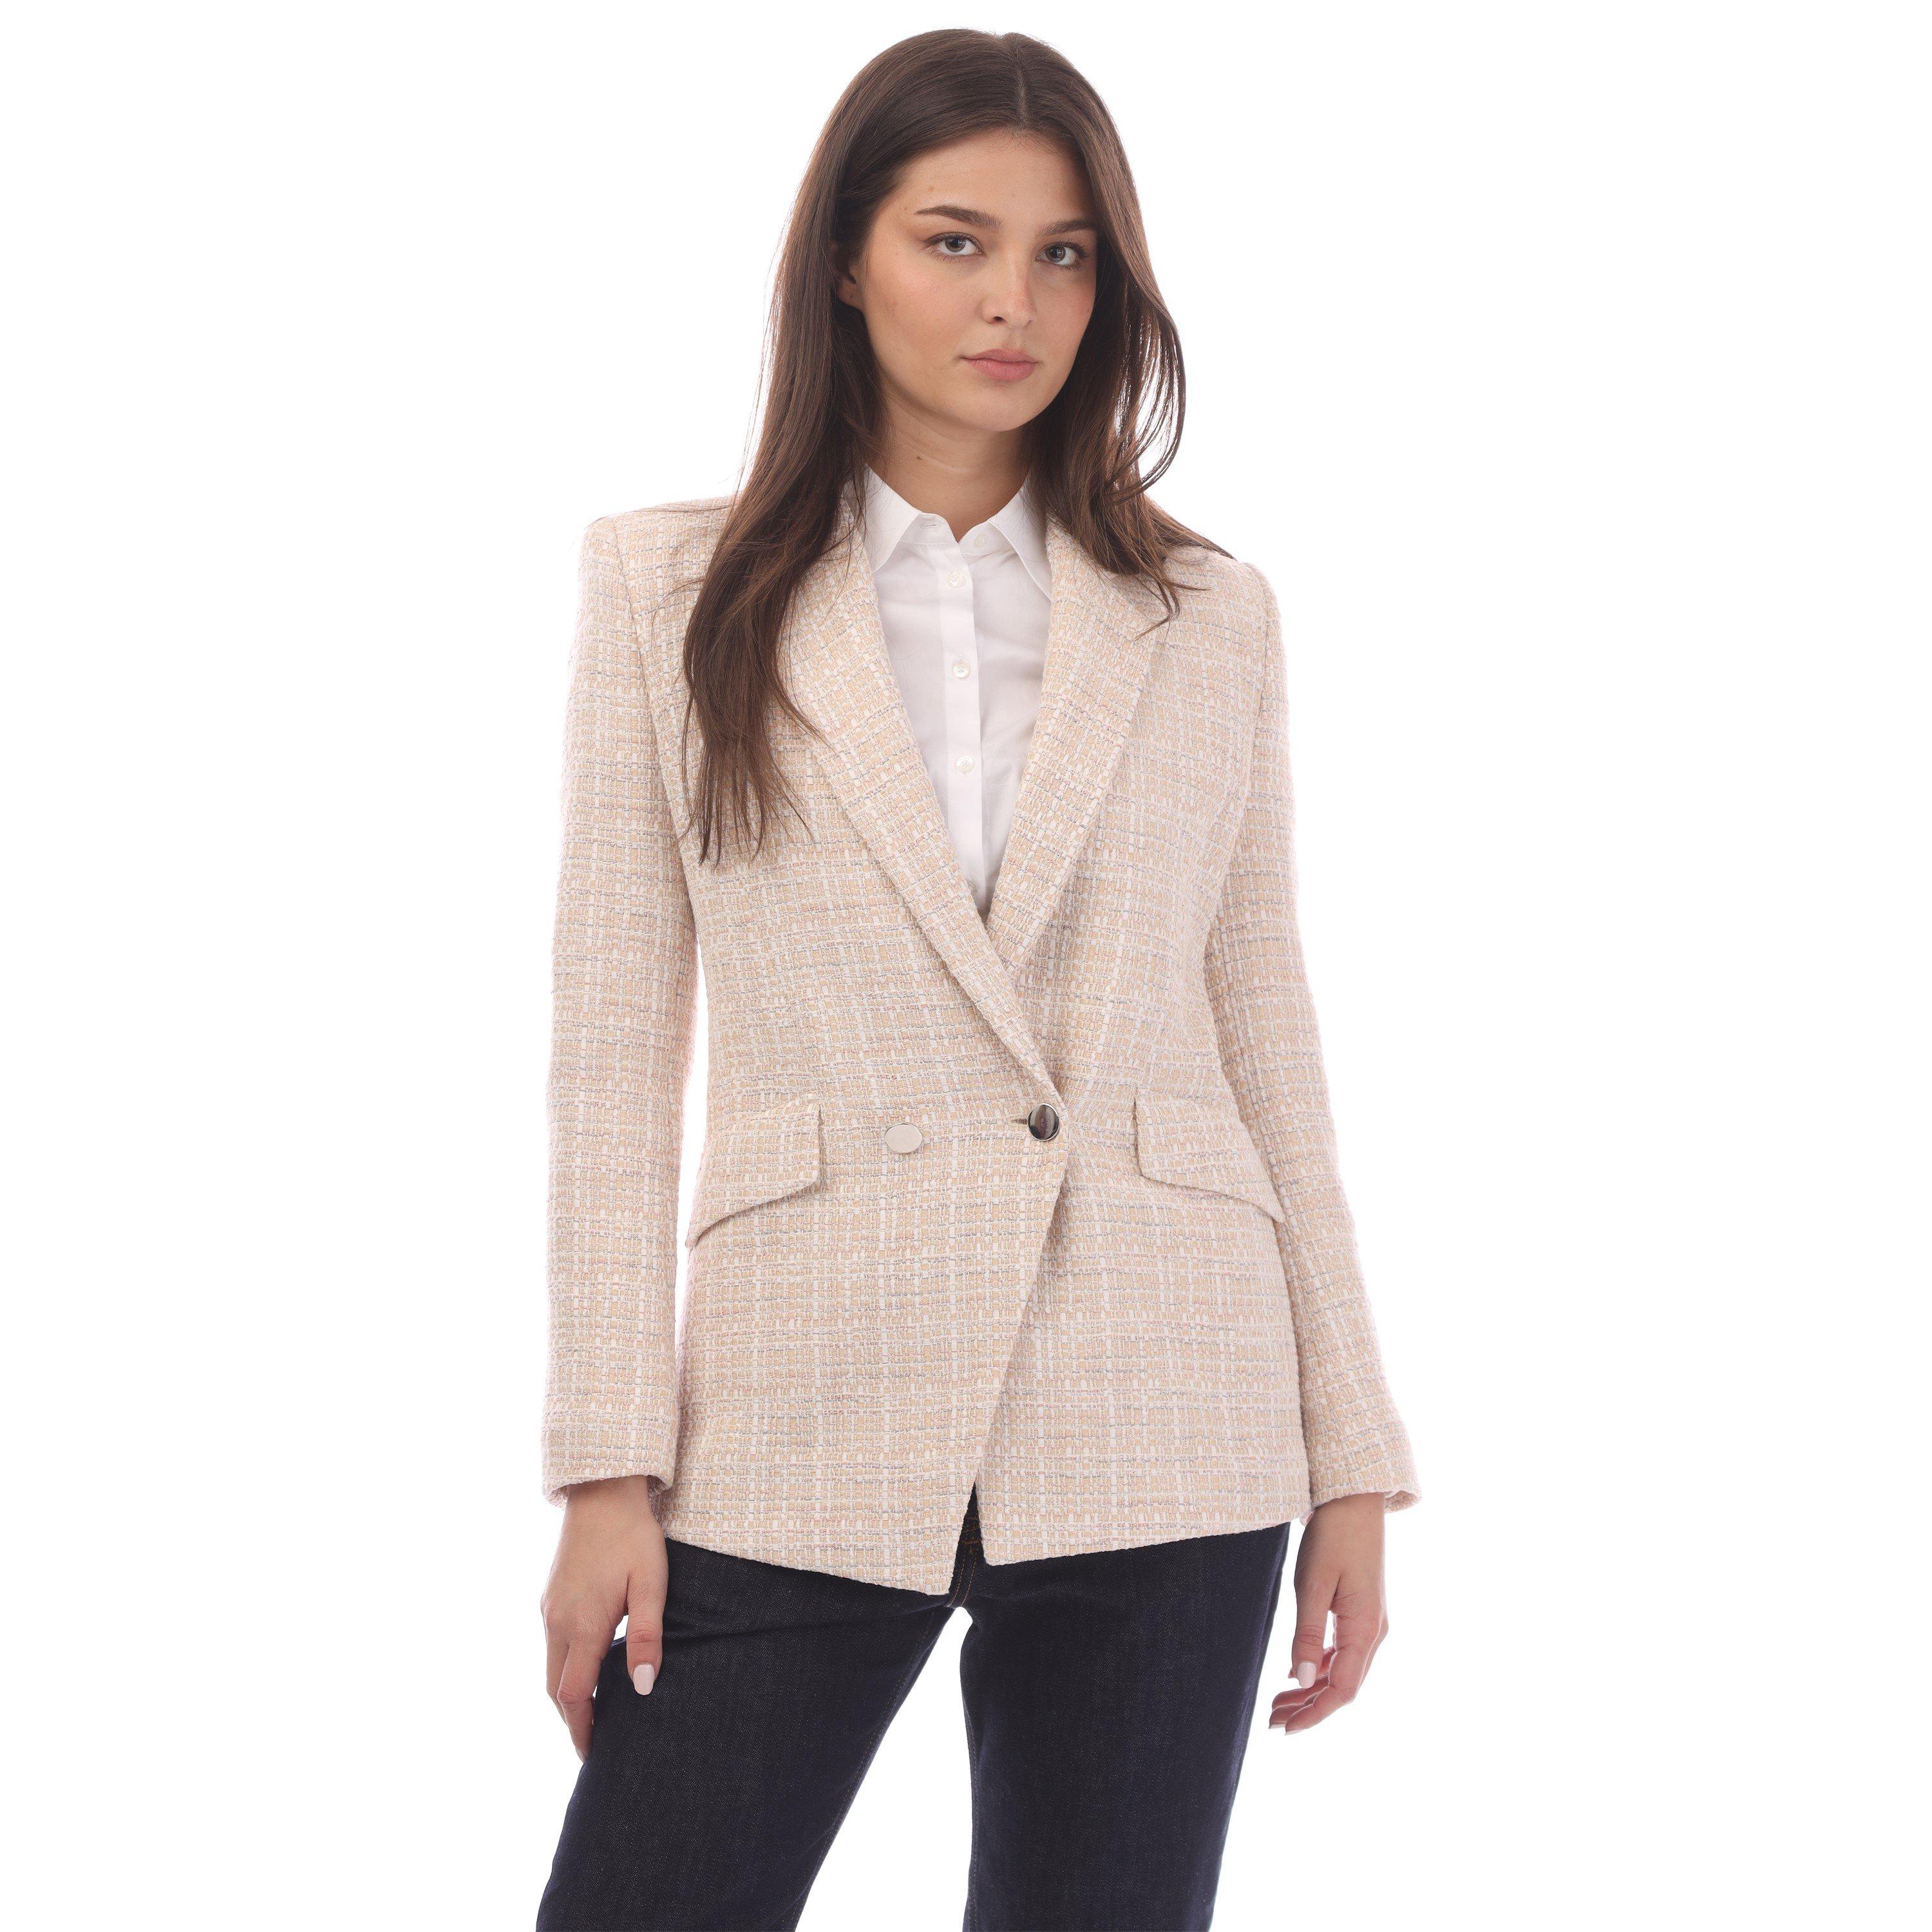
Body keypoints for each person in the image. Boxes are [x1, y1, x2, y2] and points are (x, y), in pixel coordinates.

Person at [535, 28, 1419, 1931]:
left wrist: (1353, 1453)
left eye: (1065, 254)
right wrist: (607, 1467)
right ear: (846, 262)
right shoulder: (662, 593)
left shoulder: (1206, 615)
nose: (1015, 300)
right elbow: (611, 1053)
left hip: (1169, 1404)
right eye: (957, 241)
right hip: (797, 1401)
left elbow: (1266, 1028)